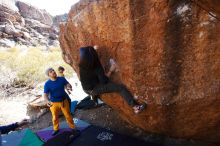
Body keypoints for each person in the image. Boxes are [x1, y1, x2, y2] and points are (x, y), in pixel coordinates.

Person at [79, 46, 146, 114]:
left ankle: (94, 97)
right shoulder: (97, 68)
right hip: (93, 88)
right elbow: (104, 81)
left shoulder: (82, 64)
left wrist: (92, 50)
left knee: (93, 81)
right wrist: (111, 70)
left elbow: (82, 50)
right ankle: (136, 107)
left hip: (85, 87)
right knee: (120, 88)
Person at [43, 68, 76, 136]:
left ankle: (73, 127)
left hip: (64, 101)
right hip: (53, 103)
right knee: (55, 117)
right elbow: (45, 94)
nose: (53, 72)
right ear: (48, 75)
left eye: (53, 70)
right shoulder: (47, 84)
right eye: (51, 72)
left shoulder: (61, 79)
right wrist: (47, 101)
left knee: (68, 115)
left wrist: (69, 86)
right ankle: (56, 129)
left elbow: (67, 84)